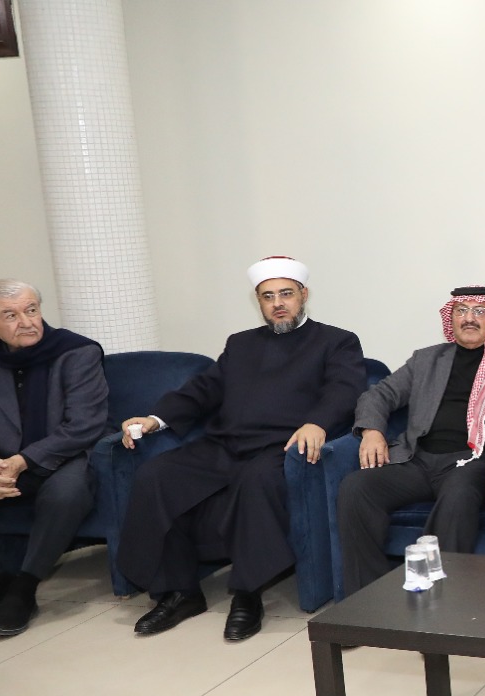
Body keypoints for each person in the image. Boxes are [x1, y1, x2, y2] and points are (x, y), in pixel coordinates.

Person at [116, 257, 365, 641]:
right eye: (268, 296)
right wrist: (156, 419)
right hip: (226, 444)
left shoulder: (336, 341)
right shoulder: (241, 343)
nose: (278, 303)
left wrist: (317, 422)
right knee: (156, 475)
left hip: (281, 448)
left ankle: (247, 595)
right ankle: (179, 592)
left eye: (286, 294)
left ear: (303, 295)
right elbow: (205, 389)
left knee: (255, 482)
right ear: (258, 301)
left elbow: (345, 390)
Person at [336, 286, 485, 594]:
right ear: (451, 317)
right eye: (461, 311)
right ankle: (369, 596)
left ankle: (443, 600)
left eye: (480, 311)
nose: (469, 318)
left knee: (459, 495)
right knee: (356, 488)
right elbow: (378, 394)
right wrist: (372, 430)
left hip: (473, 461)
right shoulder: (426, 359)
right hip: (417, 460)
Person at [0, 280, 107, 638]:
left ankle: (24, 587)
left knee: (68, 490)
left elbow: (84, 425)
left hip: (61, 457)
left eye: (31, 310)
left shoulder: (77, 352)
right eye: (11, 315)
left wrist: (23, 461)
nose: (27, 322)